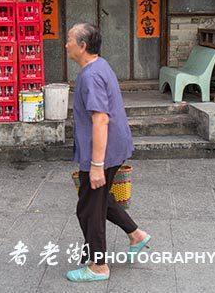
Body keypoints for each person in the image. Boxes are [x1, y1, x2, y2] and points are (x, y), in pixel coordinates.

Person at [64, 22, 151, 282]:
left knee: (88, 209)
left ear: (82, 46)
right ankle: (136, 235)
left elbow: (100, 120)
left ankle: (98, 266)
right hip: (114, 146)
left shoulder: (91, 76)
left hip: (105, 151)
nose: (65, 44)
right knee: (96, 200)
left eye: (69, 39)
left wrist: (96, 165)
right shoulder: (99, 65)